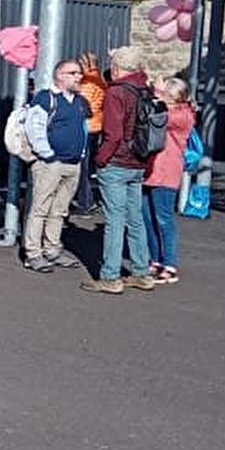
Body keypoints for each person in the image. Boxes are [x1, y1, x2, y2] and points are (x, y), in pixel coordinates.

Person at [81, 45, 157, 295]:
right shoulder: (145, 89)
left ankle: (110, 276)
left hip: (117, 161)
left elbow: (112, 133)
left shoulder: (117, 92)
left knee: (114, 219)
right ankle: (141, 272)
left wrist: (100, 159)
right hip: (139, 160)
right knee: (135, 219)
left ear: (117, 68)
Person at [20, 59, 91, 273]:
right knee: (40, 208)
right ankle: (33, 253)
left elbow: (84, 128)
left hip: (72, 163)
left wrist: (81, 153)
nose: (79, 77)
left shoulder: (79, 101)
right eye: (73, 73)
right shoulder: (45, 98)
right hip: (50, 163)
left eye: (79, 73)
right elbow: (35, 128)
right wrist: (47, 155)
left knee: (60, 210)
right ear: (60, 75)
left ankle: (52, 248)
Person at [143, 76, 195, 285]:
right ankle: (155, 260)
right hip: (150, 170)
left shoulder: (183, 116)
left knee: (164, 219)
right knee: (148, 219)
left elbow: (163, 118)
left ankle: (170, 264)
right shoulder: (168, 110)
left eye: (168, 97)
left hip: (166, 172)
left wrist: (156, 95)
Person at [73, 50, 108, 215]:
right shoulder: (100, 80)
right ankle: (87, 200)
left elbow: (81, 105)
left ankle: (85, 202)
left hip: (86, 127)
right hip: (97, 125)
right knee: (88, 166)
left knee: (83, 167)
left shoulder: (88, 83)